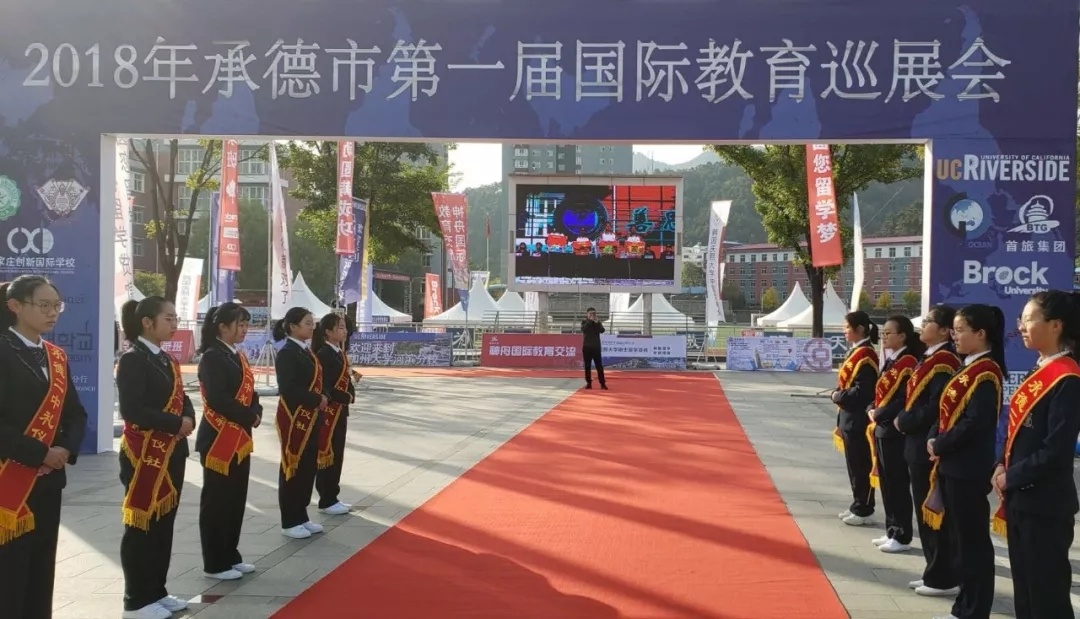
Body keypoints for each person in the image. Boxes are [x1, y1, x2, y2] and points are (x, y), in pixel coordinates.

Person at [0, 276, 87, 619]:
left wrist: (64, 449)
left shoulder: (56, 356)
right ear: (15, 306)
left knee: (42, 566)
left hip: (50, 479)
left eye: (56, 306)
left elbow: (75, 413)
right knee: (10, 571)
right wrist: (40, 453)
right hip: (9, 479)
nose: (52, 313)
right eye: (44, 305)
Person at [992, 290, 1080, 619]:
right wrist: (1000, 464)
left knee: (1046, 597)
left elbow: (1056, 450)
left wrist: (1010, 475)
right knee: (1026, 593)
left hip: (1045, 505)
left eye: (1028, 320)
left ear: (1056, 325)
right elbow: (1020, 434)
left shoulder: (1067, 379)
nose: (1021, 327)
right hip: (1023, 498)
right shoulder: (1039, 369)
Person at [925, 304, 1004, 619]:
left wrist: (941, 443)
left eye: (960, 330)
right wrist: (934, 438)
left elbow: (974, 423)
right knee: (960, 540)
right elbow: (945, 413)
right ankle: (964, 604)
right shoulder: (967, 366)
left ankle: (974, 608)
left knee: (972, 543)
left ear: (981, 334)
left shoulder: (986, 372)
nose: (954, 336)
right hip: (952, 465)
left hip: (967, 469)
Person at [116, 297, 194, 619]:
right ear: (147, 322)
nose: (174, 324)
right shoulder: (133, 359)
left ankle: (156, 591)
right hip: (144, 454)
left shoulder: (167, 359)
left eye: (176, 318)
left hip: (172, 451)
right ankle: (136, 600)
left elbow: (183, 398)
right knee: (142, 525)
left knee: (164, 524)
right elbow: (132, 410)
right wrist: (176, 423)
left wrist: (188, 419)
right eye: (168, 318)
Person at [895, 305, 961, 597]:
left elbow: (935, 406)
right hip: (916, 443)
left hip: (926, 444)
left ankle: (941, 575)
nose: (923, 324)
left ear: (945, 330)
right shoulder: (930, 357)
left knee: (934, 514)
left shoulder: (944, 361)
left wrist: (906, 421)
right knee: (925, 513)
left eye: (929, 321)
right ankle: (932, 570)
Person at [195, 303, 262, 581]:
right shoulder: (212, 357)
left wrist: (256, 411)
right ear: (222, 327)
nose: (245, 330)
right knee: (217, 502)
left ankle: (230, 555)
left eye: (246, 324)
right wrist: (248, 416)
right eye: (240, 324)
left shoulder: (237, 355)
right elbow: (218, 398)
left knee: (235, 500)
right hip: (218, 438)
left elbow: (251, 392)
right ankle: (215, 562)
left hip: (240, 437)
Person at [867, 315, 925, 553]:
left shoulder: (908, 362)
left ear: (902, 336)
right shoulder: (892, 360)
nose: (884, 337)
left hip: (895, 430)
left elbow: (904, 398)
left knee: (898, 483)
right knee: (887, 482)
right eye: (883, 333)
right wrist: (872, 408)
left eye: (889, 333)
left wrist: (881, 412)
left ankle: (901, 533)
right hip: (882, 427)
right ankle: (891, 528)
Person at [273, 307, 327, 539]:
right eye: (307, 323)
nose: (312, 327)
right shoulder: (287, 353)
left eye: (312, 323)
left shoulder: (306, 351)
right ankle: (289, 520)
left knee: (307, 468)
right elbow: (288, 388)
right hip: (295, 418)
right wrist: (316, 399)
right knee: (293, 467)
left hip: (312, 416)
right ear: (293, 327)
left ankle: (302, 516)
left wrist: (322, 397)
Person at [831, 310, 879, 526]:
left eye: (847, 327)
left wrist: (838, 396)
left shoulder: (866, 355)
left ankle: (864, 508)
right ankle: (857, 503)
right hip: (849, 417)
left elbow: (863, 391)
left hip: (859, 419)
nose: (844, 331)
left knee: (861, 466)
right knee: (854, 466)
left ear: (859, 329)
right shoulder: (857, 351)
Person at [312, 312, 356, 516]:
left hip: (341, 411)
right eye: (340, 327)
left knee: (337, 454)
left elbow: (347, 379)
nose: (344, 331)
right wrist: (345, 396)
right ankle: (326, 498)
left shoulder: (339, 353)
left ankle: (333, 496)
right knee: (327, 455)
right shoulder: (324, 354)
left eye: (344, 327)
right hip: (329, 412)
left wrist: (350, 395)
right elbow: (326, 385)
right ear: (328, 332)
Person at [580, 307, 607, 390]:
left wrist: (597, 322)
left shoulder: (597, 322)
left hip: (596, 347)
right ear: (587, 314)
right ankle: (589, 383)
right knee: (587, 366)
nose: (592, 315)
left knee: (599, 366)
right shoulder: (584, 322)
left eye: (594, 313)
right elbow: (583, 329)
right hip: (587, 347)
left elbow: (602, 330)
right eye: (590, 313)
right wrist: (590, 321)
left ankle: (602, 383)